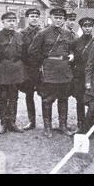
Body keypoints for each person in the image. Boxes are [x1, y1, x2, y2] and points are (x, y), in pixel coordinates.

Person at [28, 8, 74, 138]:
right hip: (49, 70)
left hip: (64, 70)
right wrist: (43, 63)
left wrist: (72, 55)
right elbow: (33, 52)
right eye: (56, 17)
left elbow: (72, 49)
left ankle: (63, 125)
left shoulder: (68, 34)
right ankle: (47, 127)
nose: (58, 20)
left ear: (64, 19)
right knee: (47, 99)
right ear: (51, 18)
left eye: (61, 18)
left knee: (63, 98)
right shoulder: (42, 34)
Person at [0, 12, 25, 134]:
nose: (12, 23)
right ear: (3, 22)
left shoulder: (19, 36)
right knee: (3, 97)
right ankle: (3, 123)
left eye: (13, 20)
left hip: (16, 69)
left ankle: (12, 122)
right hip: (3, 70)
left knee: (14, 97)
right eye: (8, 21)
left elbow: (24, 53)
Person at [71, 17, 94, 132]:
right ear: (81, 27)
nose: (87, 28)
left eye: (90, 26)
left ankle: (90, 122)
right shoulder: (76, 42)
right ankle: (80, 123)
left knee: (92, 100)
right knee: (80, 100)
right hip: (79, 74)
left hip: (92, 74)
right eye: (85, 26)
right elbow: (71, 58)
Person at [19, 8, 42, 130]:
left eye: (36, 16)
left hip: (41, 68)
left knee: (45, 95)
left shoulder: (43, 32)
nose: (34, 18)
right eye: (32, 16)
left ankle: (47, 123)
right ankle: (31, 121)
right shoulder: (22, 33)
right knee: (29, 95)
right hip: (28, 68)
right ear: (27, 18)